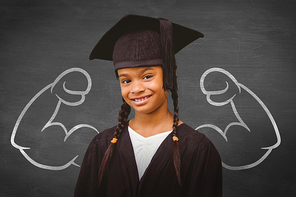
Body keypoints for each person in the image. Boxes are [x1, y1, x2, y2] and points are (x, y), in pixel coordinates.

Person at [74, 14, 222, 197]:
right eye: (126, 80)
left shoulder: (198, 150)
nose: (136, 88)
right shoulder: (103, 146)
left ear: (169, 76)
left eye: (147, 76)